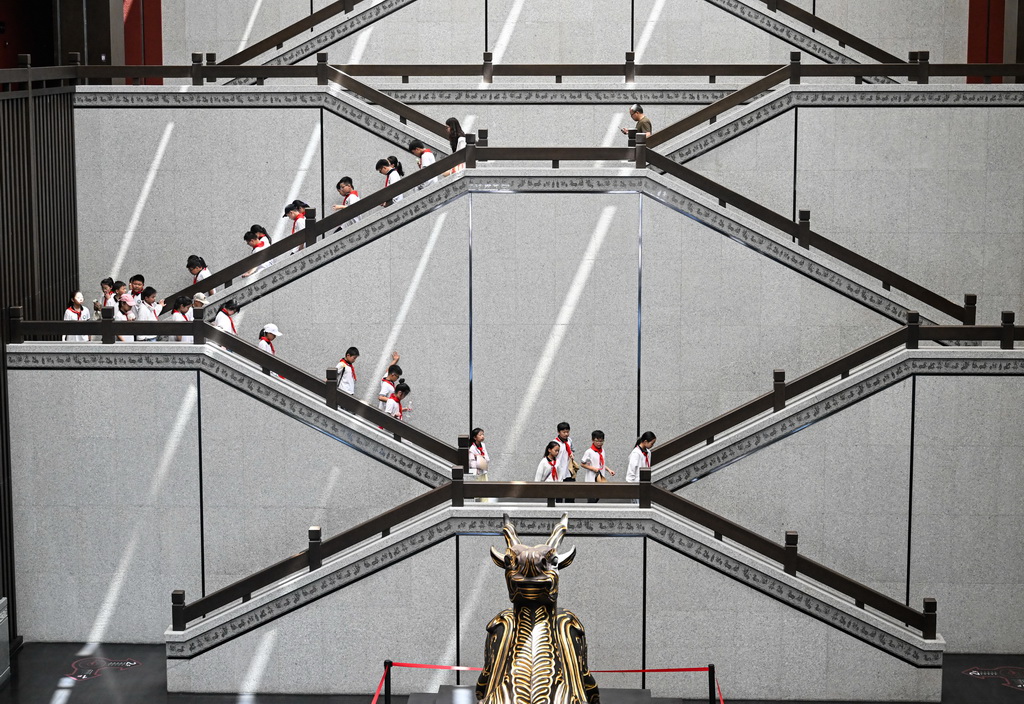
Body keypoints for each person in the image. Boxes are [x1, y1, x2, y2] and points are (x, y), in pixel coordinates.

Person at [579, 430, 615, 503]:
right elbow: (582, 464)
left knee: (600, 494)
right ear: (592, 440)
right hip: (591, 477)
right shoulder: (589, 452)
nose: (599, 443)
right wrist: (593, 468)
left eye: (601, 441)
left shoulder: (602, 451)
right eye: (597, 441)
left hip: (600, 477)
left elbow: (601, 464)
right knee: (591, 498)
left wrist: (609, 470)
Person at [626, 431, 657, 505]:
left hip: (645, 485)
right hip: (636, 485)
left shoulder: (648, 453)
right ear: (645, 441)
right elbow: (631, 471)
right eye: (652, 443)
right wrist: (631, 487)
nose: (652, 445)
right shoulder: (636, 453)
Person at [553, 421, 577, 503]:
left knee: (571, 492)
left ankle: (570, 509)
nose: (566, 434)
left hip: (569, 470)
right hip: (559, 471)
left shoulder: (569, 440)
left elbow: (572, 450)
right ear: (558, 432)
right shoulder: (555, 443)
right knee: (558, 494)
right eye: (564, 432)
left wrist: (572, 454)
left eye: (567, 432)